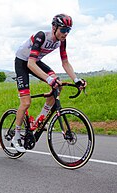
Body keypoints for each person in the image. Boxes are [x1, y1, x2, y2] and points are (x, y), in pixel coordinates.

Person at [13, 14, 87, 152]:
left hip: (35, 61)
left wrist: (76, 80)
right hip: (22, 62)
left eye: (68, 30)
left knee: (58, 85)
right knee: (26, 102)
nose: (66, 34)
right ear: (54, 27)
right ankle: (16, 136)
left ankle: (40, 119)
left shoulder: (62, 41)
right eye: (63, 30)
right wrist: (48, 79)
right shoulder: (41, 36)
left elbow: (65, 62)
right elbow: (30, 63)